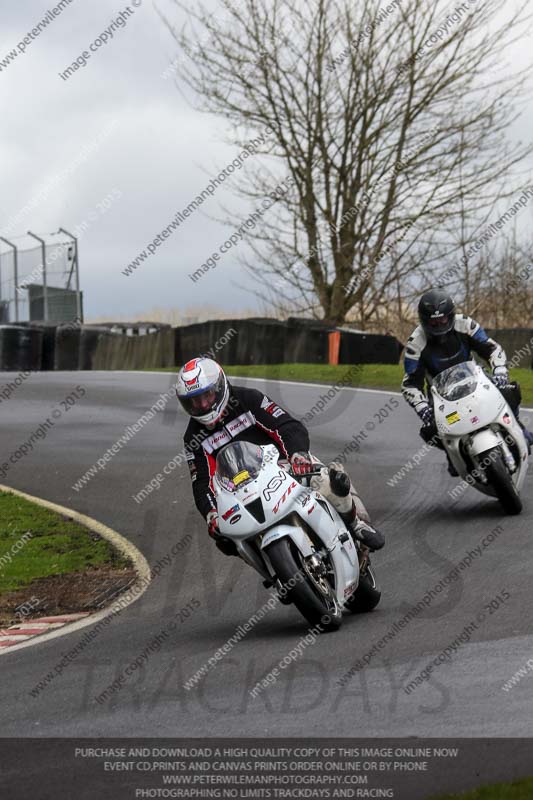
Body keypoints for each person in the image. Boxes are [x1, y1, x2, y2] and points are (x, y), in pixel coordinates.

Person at [176, 357, 385, 556]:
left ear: (219, 387)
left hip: (282, 466)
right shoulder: (193, 437)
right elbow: (201, 482)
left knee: (326, 479)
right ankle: (273, 573)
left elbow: (286, 425)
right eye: (194, 401)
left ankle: (356, 522)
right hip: (240, 490)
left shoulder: (248, 399)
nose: (203, 405)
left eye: (207, 396)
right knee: (226, 539)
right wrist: (211, 514)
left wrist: (297, 454)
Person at [401, 288, 533, 473]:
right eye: (433, 321)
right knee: (430, 429)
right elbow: (410, 384)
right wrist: (423, 408)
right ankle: (452, 454)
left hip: (475, 378)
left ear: (451, 315)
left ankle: (518, 428)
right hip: (440, 394)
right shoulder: (416, 343)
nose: (439, 325)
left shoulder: (465, 325)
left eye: (443, 319)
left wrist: (500, 371)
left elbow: (491, 349)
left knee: (509, 390)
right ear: (424, 320)